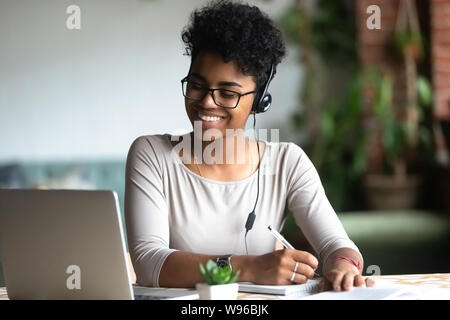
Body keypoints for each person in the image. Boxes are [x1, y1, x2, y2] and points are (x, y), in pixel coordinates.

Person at [125, 0, 375, 292]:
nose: (207, 102)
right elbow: (148, 263)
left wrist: (343, 265)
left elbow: (338, 246)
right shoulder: (152, 155)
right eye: (197, 85)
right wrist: (250, 267)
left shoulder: (287, 162)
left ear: (258, 102)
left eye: (228, 93)